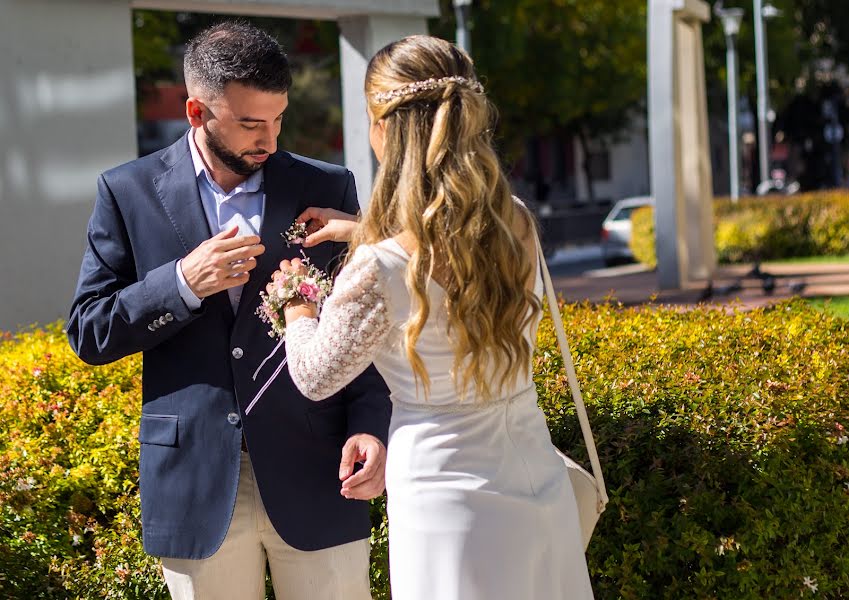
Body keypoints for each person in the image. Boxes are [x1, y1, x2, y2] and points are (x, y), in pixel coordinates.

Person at [66, 21, 390, 600]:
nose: (268, 139)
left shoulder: (327, 187)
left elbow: (363, 324)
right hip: (194, 483)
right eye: (249, 123)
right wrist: (182, 283)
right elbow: (90, 332)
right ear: (196, 112)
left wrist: (371, 426)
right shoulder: (127, 192)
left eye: (278, 119)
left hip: (320, 472)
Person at [278, 35, 594, 599]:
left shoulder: (378, 268)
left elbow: (314, 375)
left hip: (448, 500)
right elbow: (440, 251)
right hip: (535, 476)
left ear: (384, 129)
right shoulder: (513, 222)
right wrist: (363, 232)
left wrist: (295, 304)